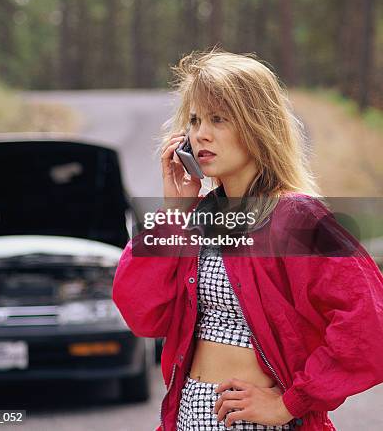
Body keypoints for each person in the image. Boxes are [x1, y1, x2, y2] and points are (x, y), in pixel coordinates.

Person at [112, 49, 383, 431]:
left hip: (258, 422)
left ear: (257, 125)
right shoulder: (198, 218)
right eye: (194, 120)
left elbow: (370, 325)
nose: (200, 133)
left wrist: (291, 402)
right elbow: (142, 312)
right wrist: (175, 210)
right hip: (189, 416)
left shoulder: (297, 218)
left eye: (218, 119)